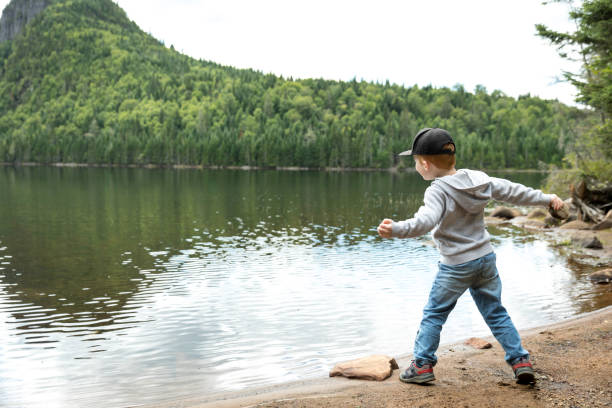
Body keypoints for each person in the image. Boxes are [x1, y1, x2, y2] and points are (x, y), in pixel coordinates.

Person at [377, 128, 564, 385]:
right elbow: (513, 191)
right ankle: (520, 361)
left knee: (434, 314)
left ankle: (422, 365)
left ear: (425, 163)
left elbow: (425, 221)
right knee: (496, 313)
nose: (416, 167)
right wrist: (547, 199)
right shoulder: (479, 179)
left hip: (455, 265)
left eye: (415, 162)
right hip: (485, 259)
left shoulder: (437, 190)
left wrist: (396, 229)